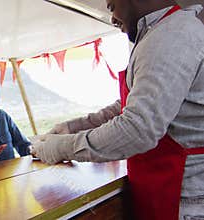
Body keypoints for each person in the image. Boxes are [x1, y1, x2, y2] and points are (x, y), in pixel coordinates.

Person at [31, 1, 204, 219]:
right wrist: (71, 127)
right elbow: (127, 104)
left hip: (182, 197)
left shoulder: (171, 36)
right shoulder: (163, 32)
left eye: (112, 7)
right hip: (164, 187)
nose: (112, 18)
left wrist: (61, 148)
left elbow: (136, 129)